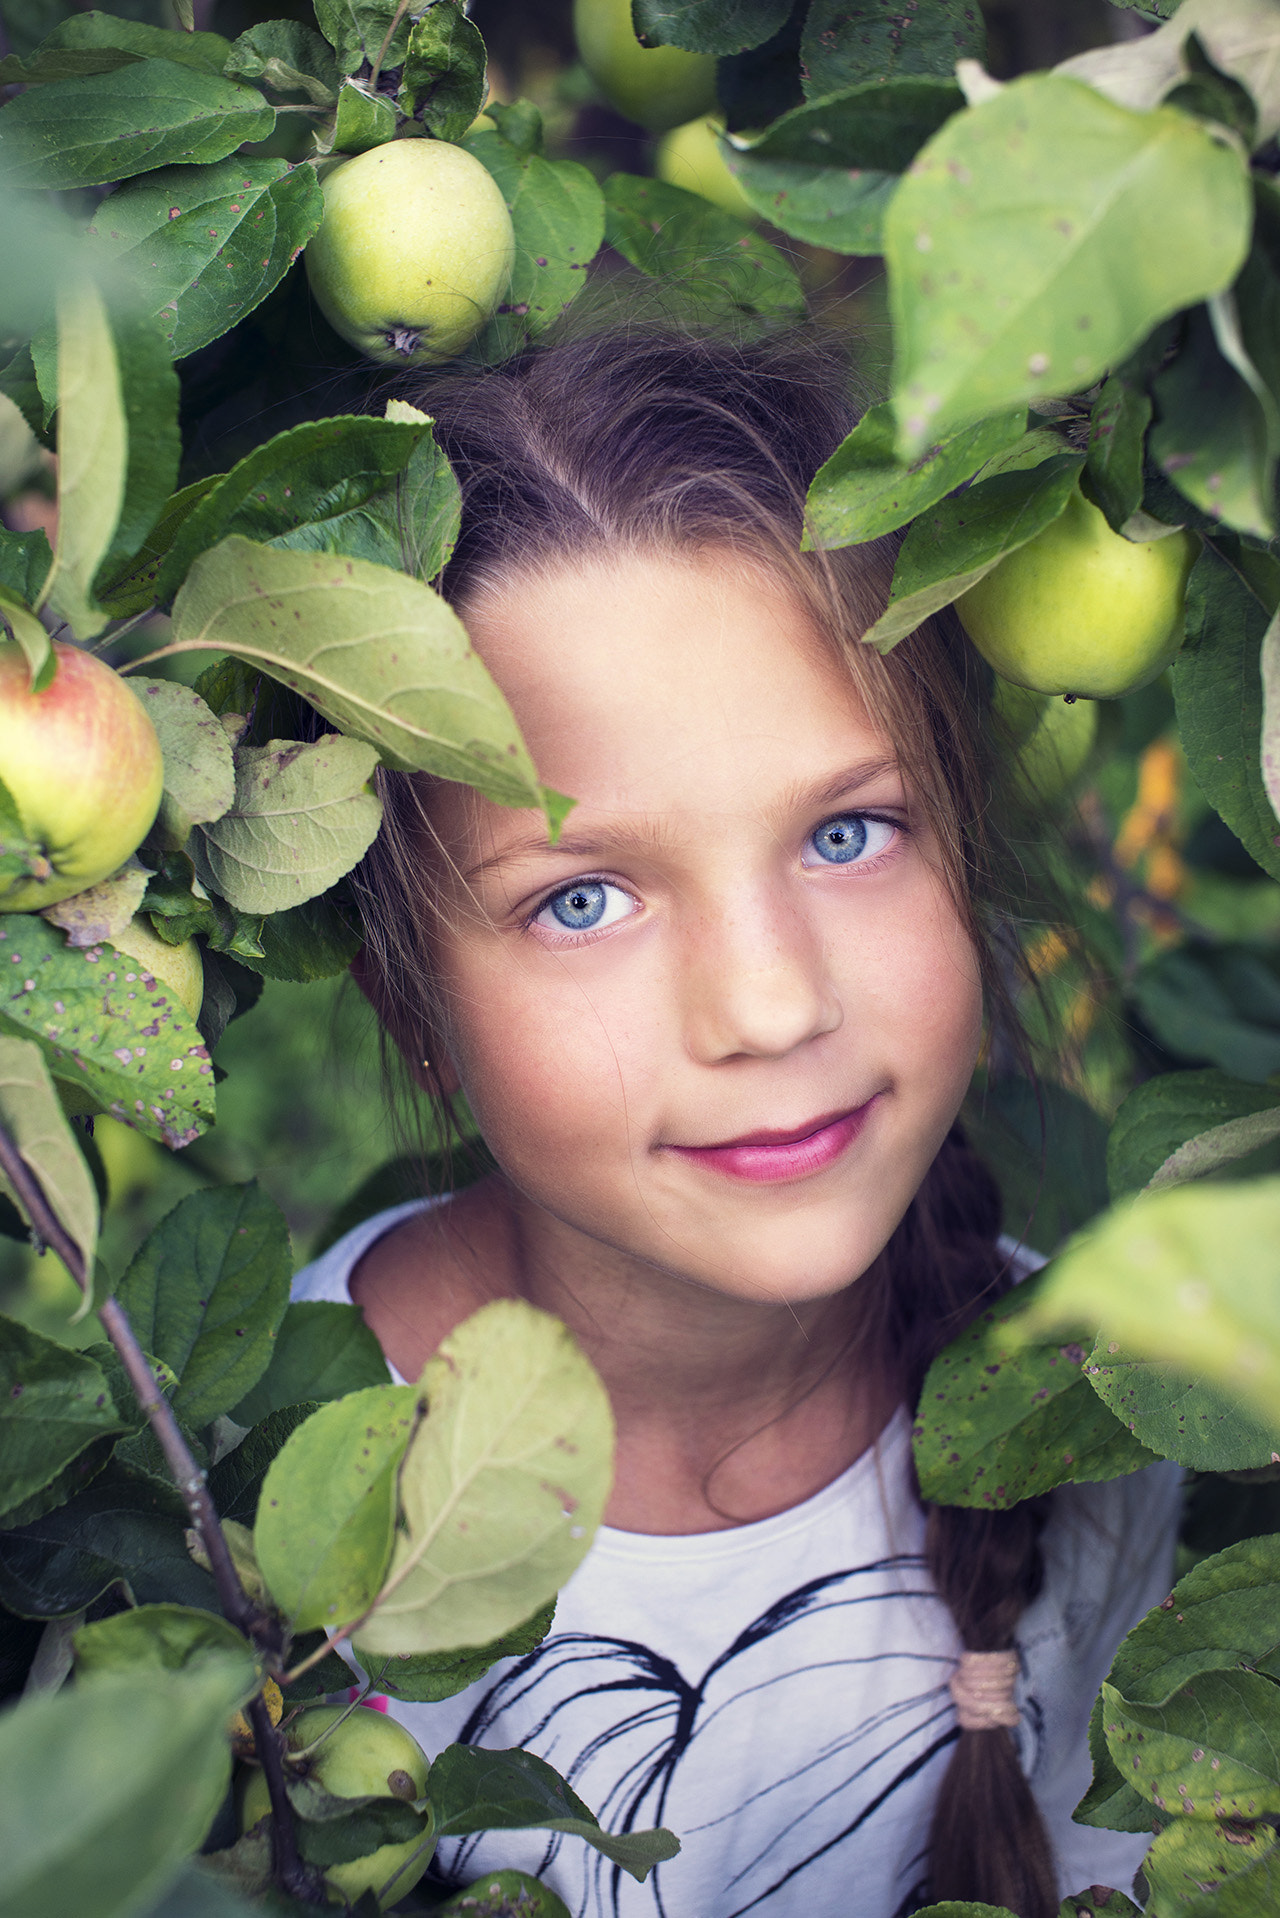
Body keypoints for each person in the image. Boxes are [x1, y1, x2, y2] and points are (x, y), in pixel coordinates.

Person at [292, 329, 1180, 1918]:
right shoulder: (258, 1529)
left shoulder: (1096, 1425)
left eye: (849, 830)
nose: (769, 1006)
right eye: (585, 897)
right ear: (409, 1009)